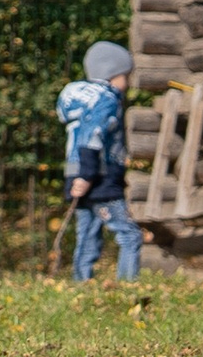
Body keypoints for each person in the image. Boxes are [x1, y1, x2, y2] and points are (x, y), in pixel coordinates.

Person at [60, 41, 142, 282]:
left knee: (87, 234)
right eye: (125, 76)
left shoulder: (81, 100)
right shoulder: (106, 100)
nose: (127, 83)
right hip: (99, 178)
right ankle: (129, 286)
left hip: (78, 173)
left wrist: (79, 175)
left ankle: (80, 284)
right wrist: (87, 175)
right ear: (111, 73)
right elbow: (92, 136)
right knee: (130, 235)